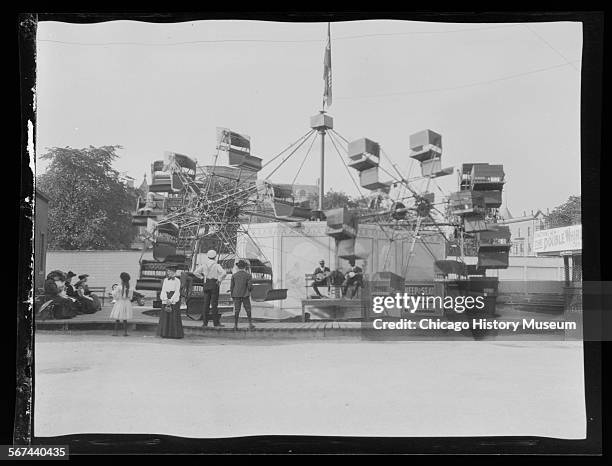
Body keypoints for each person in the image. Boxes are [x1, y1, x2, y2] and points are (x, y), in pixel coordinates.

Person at [194, 250, 227, 328]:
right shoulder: (216, 265)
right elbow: (224, 273)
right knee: (214, 304)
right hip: (214, 283)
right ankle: (216, 323)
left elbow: (195, 272)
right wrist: (219, 279)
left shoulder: (204, 265)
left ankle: (205, 323)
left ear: (207, 256)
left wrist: (202, 277)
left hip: (206, 283)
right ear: (215, 257)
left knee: (206, 304)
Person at [157, 265, 184, 339]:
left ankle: (174, 334)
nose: (168, 272)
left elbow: (177, 291)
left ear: (173, 272)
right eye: (167, 271)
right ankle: (164, 333)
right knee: (165, 316)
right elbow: (163, 290)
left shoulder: (177, 280)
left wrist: (171, 300)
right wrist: (165, 299)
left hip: (173, 298)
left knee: (174, 317)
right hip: (166, 297)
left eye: (169, 271)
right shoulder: (165, 280)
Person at [231, 260, 255, 331]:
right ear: (245, 267)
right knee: (248, 309)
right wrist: (251, 289)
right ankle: (250, 324)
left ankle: (235, 325)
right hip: (245, 295)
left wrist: (232, 295)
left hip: (236, 295)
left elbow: (232, 287)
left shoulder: (234, 276)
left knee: (237, 310)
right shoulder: (248, 275)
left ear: (238, 267)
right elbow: (250, 286)